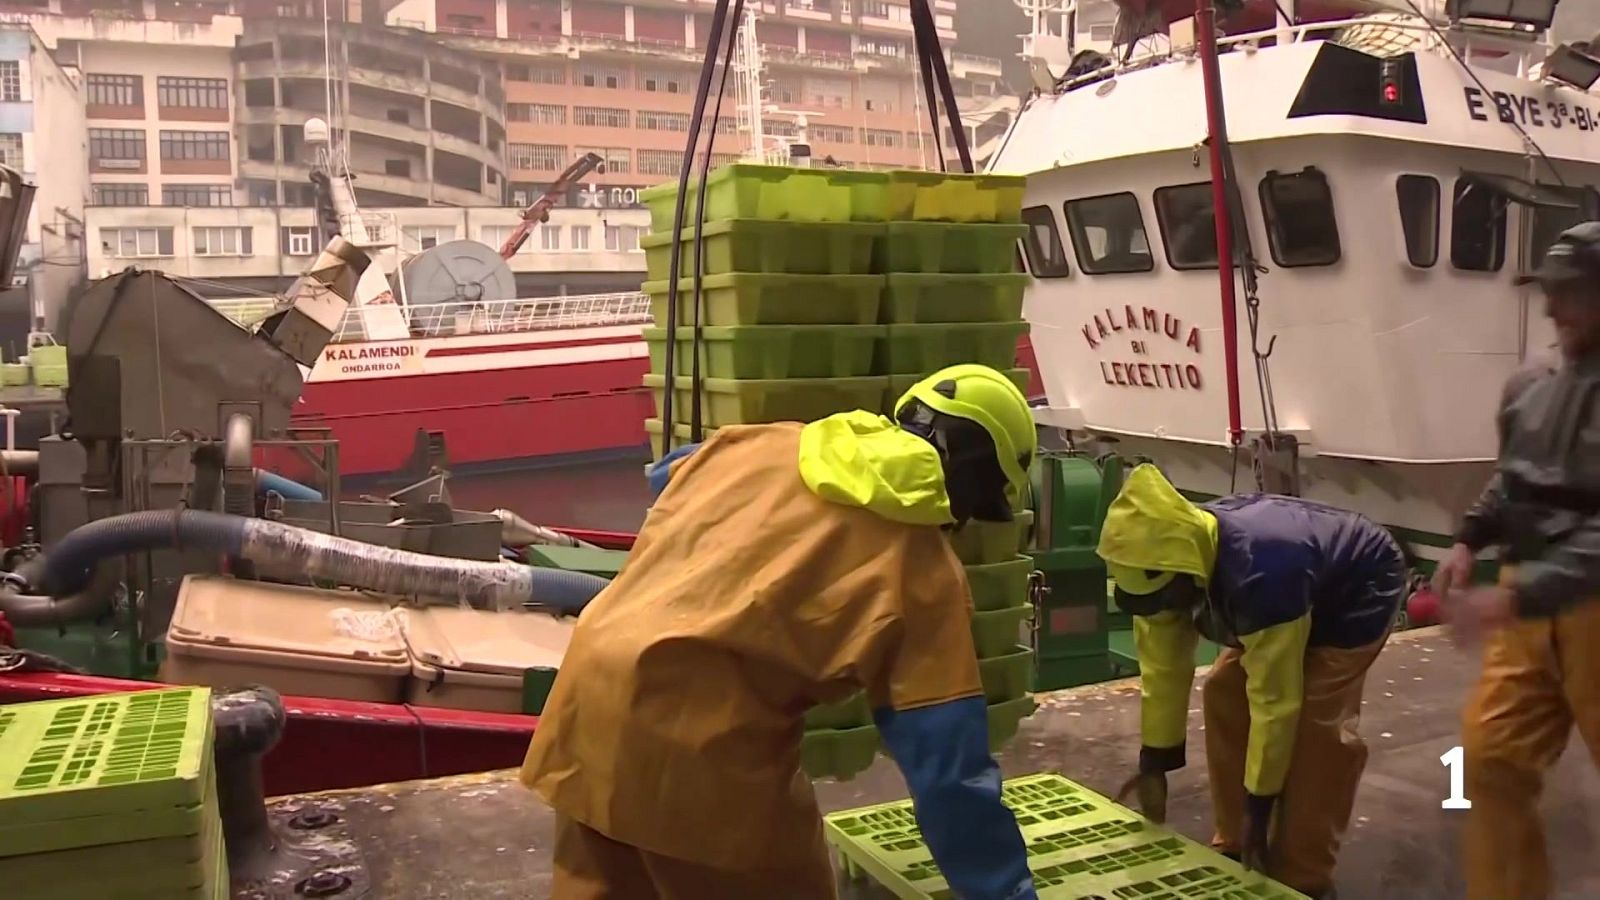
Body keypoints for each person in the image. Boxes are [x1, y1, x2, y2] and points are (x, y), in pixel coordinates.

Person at [520, 364, 1040, 900]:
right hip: (700, 754)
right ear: (973, 481)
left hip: (585, 702)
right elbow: (950, 778)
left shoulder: (768, 442)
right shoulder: (925, 573)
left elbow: (670, 475)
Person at [1096, 464, 1405, 900]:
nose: (1163, 611)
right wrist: (1155, 762)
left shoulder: (1261, 572)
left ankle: (1305, 873)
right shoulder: (1163, 563)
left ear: (1184, 574)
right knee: (1224, 687)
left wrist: (1261, 803)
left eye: (1166, 600)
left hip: (1356, 588)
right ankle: (1237, 840)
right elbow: (1163, 670)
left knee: (1315, 725)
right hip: (1287, 589)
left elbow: (1275, 702)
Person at [1433, 221, 1600, 900]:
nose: (1553, 308)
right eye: (1551, 292)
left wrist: (1519, 595)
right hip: (1527, 603)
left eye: (1570, 293)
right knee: (1488, 760)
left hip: (1582, 605)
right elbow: (1515, 477)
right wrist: (1470, 536)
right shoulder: (1530, 386)